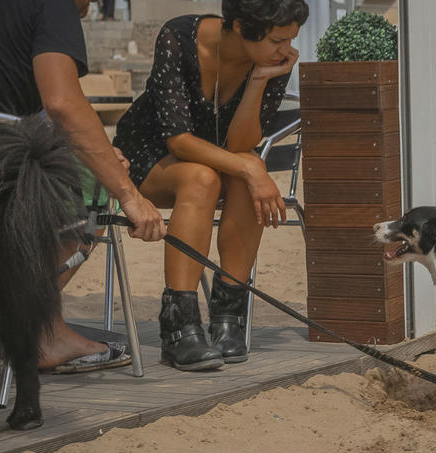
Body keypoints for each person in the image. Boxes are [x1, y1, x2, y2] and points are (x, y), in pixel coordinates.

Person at [113, 0, 308, 372]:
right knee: (214, 175)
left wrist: (259, 80)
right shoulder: (178, 37)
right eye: (278, 40)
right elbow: (178, 140)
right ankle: (179, 327)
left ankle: (227, 318)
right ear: (238, 27)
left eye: (291, 39)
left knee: (243, 168)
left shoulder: (273, 60)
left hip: (217, 158)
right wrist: (252, 169)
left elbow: (239, 143)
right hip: (147, 155)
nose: (288, 50)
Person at [0, 0, 166, 373]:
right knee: (97, 182)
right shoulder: (54, 6)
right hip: (2, 171)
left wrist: (92, 150)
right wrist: (128, 193)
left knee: (93, 161)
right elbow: (63, 104)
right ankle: (43, 331)